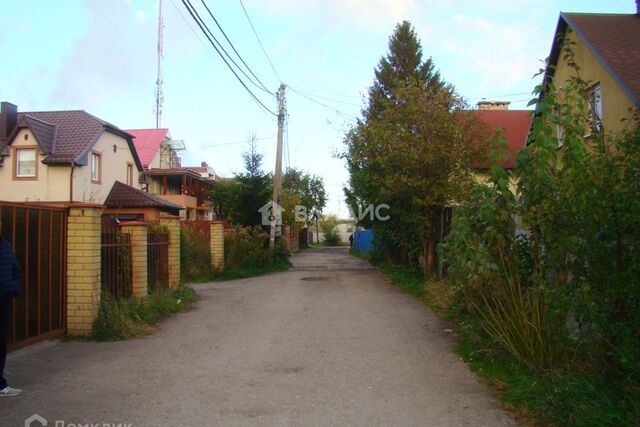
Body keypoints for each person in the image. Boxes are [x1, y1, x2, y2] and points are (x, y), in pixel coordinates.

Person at [0, 231, 22, 397]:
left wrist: (13, 290)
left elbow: (16, 272)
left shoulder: (6, 247)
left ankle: (0, 385)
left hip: (3, 304)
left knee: (1, 344)